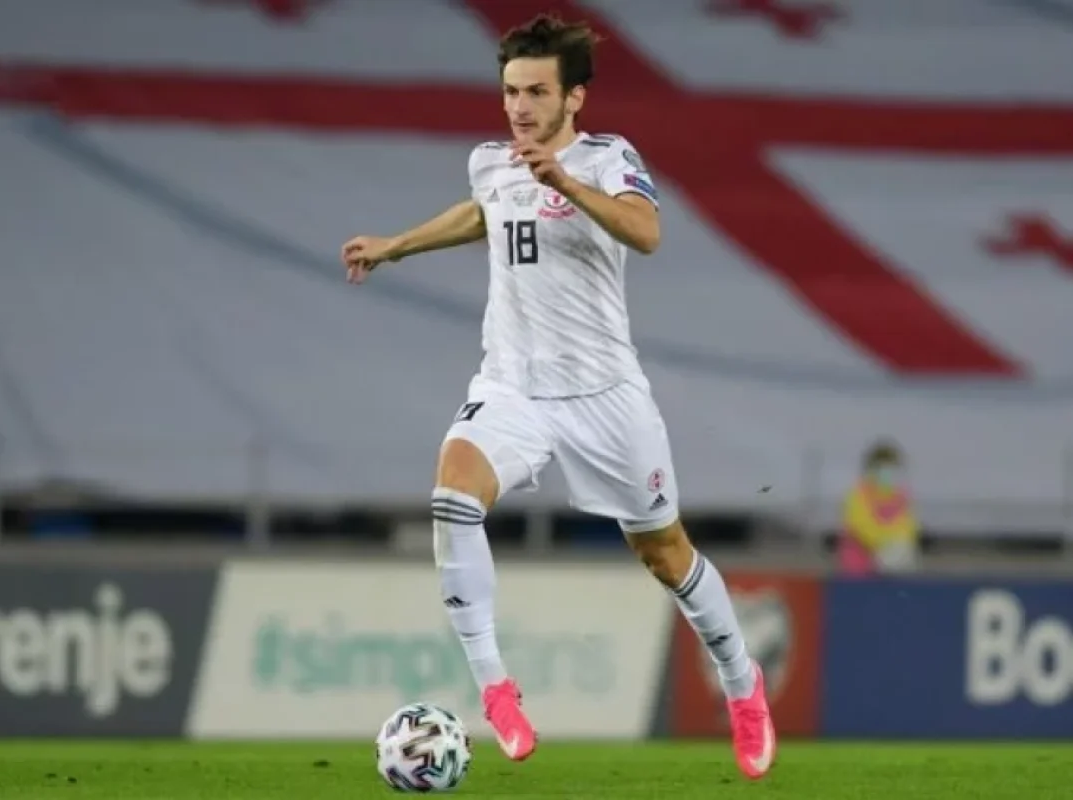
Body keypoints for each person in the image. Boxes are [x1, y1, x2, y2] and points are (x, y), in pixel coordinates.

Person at [341, 13, 775, 780]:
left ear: (574, 97)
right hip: (512, 387)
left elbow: (646, 233)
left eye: (537, 92)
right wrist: (396, 246)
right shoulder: (490, 162)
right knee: (453, 496)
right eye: (511, 91)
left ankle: (742, 684)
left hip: (603, 395)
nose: (519, 106)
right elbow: (484, 212)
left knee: (665, 553)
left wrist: (565, 183)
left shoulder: (608, 158)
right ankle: (496, 690)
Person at [838, 439, 920, 576]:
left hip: (895, 569)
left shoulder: (902, 496)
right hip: (858, 568)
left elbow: (909, 526)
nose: (887, 472)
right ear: (871, 469)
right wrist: (885, 545)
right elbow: (861, 527)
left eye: (891, 467)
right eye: (882, 467)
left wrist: (895, 546)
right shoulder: (857, 495)